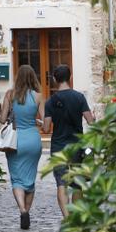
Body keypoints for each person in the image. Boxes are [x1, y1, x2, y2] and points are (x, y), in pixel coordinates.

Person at [43, 65, 94, 217]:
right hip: (77, 146)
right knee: (78, 183)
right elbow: (90, 121)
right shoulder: (79, 97)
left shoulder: (51, 101)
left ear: (54, 79)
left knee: (61, 183)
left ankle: (67, 217)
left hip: (58, 146)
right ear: (70, 77)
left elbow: (46, 129)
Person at [0, 64, 44, 230]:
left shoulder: (10, 95)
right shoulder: (38, 96)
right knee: (30, 180)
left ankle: (22, 209)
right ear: (33, 77)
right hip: (32, 140)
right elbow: (46, 125)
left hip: (15, 142)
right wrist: (37, 122)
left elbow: (3, 119)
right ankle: (27, 212)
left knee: (17, 179)